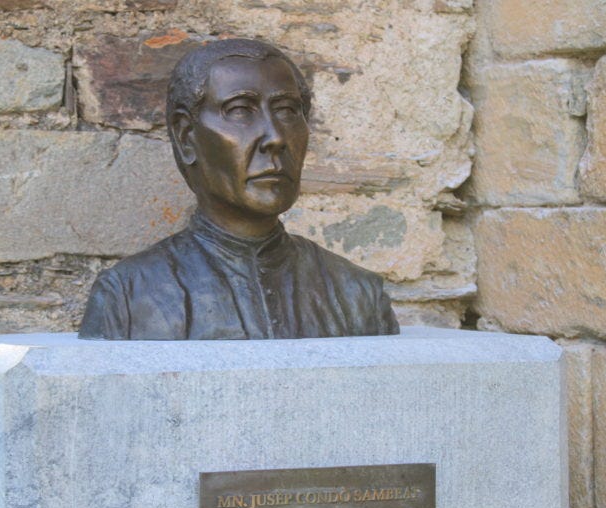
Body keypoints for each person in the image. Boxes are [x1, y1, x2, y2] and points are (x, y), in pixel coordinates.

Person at [78, 38, 400, 340]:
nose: (275, 137)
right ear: (187, 136)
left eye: (287, 110)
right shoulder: (128, 295)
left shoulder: (358, 293)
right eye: (240, 110)